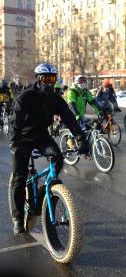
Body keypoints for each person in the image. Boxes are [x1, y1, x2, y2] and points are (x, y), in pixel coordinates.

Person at [9, 63, 88, 234]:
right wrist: (15, 144)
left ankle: (45, 189)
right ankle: (17, 217)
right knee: (19, 177)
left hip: (42, 136)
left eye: (53, 78)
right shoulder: (26, 96)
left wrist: (81, 138)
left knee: (58, 157)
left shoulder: (56, 98)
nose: (51, 82)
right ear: (39, 79)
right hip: (23, 138)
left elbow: (69, 118)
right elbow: (16, 122)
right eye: (47, 79)